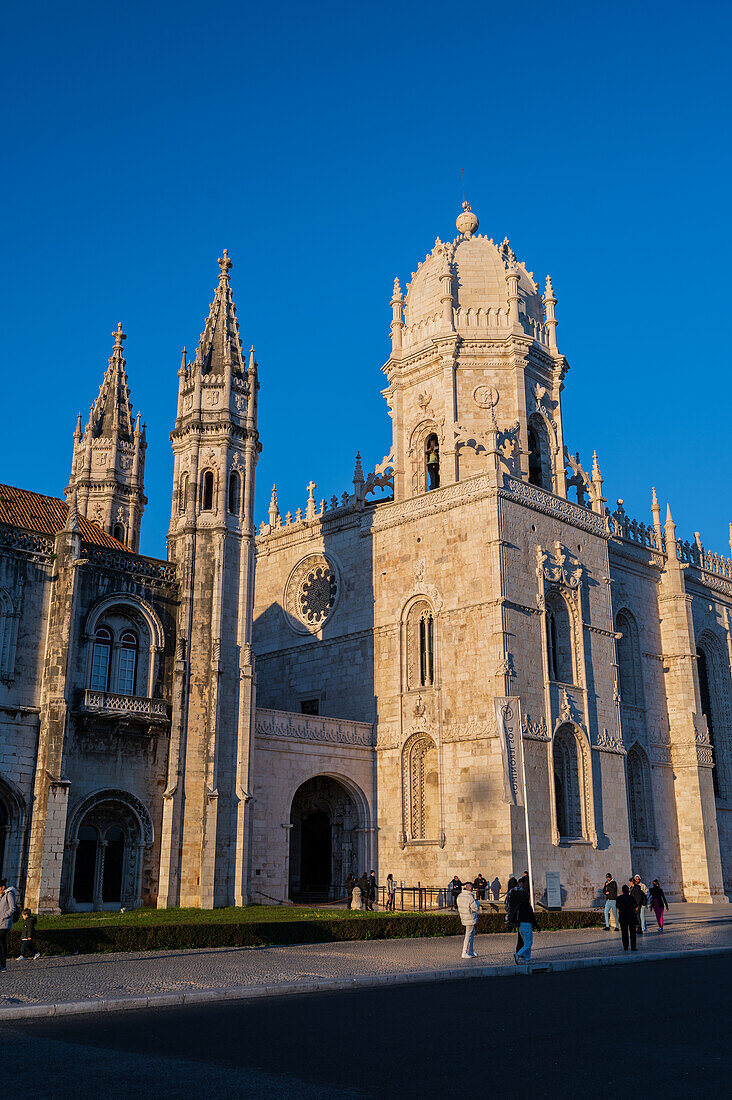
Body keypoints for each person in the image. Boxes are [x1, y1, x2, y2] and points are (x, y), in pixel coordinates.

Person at [513, 883, 539, 964]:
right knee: (528, 943)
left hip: (520, 926)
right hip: (526, 925)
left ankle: (527, 959)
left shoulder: (519, 906)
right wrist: (537, 926)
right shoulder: (527, 907)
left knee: (526, 943)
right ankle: (518, 954)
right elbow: (532, 917)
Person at [0, 878, 19, 972]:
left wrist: (3, 916)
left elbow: (12, 908)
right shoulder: (1, 895)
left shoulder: (9, 894)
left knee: (2, 944)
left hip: (5, 923)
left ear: (3, 887)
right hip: (0, 923)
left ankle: (3, 965)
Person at [457, 880, 479, 959]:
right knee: (468, 935)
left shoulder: (459, 896)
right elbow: (475, 908)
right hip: (470, 917)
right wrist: (477, 903)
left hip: (464, 916)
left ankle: (471, 950)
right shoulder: (470, 897)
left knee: (472, 933)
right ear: (470, 888)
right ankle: (464, 952)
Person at [505, 876, 524, 955]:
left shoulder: (511, 891)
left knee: (520, 933)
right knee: (521, 935)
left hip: (515, 915)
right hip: (523, 914)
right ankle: (521, 951)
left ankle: (519, 952)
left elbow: (507, 904)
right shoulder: (521, 890)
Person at [616, 884, 638, 951]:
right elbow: (635, 905)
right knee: (632, 933)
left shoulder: (619, 898)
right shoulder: (631, 898)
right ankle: (633, 947)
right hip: (631, 917)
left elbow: (617, 906)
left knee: (624, 933)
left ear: (622, 891)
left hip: (623, 917)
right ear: (628, 890)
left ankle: (625, 947)